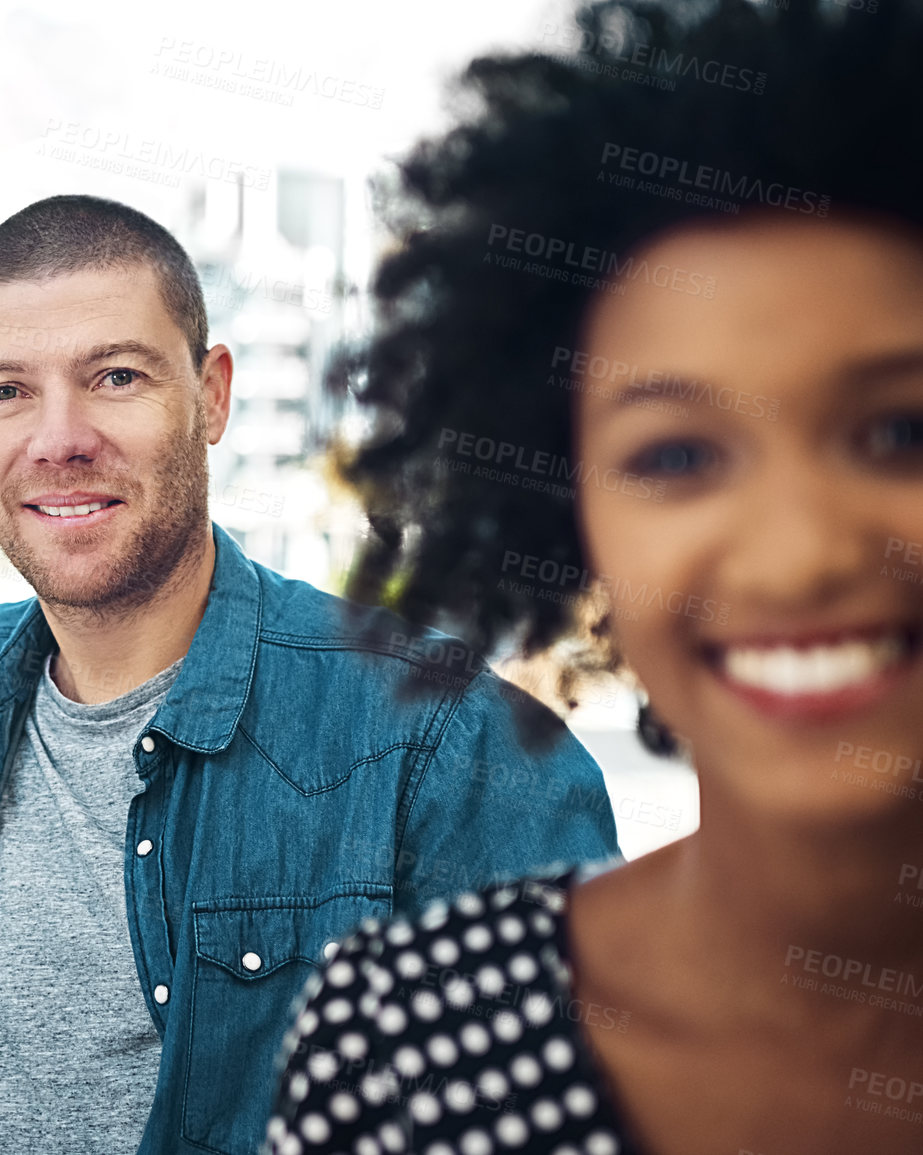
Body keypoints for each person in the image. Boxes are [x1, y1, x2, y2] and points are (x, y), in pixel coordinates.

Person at [0, 194, 619, 1155]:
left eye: (113, 377)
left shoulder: (447, 744)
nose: (59, 439)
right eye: (7, 391)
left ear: (214, 393)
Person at [266, 1, 923, 1152]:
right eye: (675, 456)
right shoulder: (407, 1045)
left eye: (901, 433)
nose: (801, 550)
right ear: (573, 522)